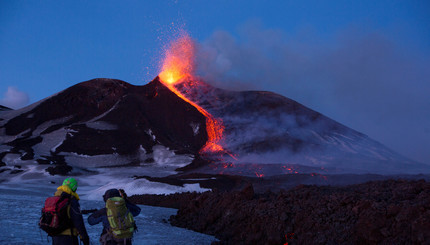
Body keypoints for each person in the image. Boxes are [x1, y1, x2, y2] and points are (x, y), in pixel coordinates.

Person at [52, 177, 90, 245]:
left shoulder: (55, 199)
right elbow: (78, 221)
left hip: (55, 237)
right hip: (68, 238)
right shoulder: (71, 201)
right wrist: (84, 238)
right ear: (74, 188)